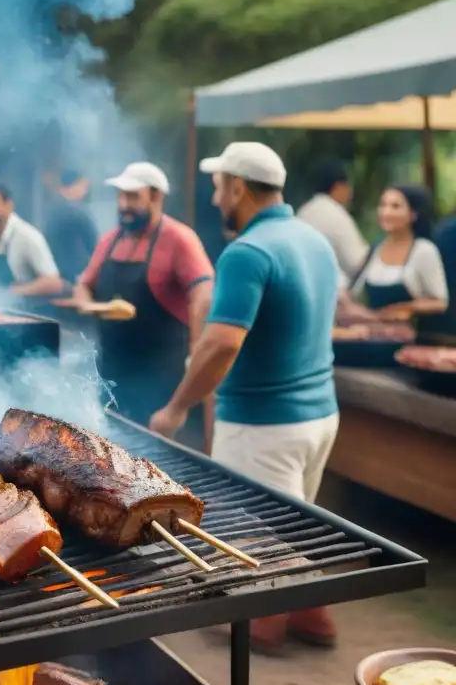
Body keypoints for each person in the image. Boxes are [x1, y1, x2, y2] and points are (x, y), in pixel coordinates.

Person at [149, 142, 340, 652]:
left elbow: (221, 343)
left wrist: (176, 408)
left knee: (254, 536)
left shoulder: (247, 252)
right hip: (320, 414)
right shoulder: (313, 241)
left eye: (218, 187)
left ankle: (263, 626)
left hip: (263, 422)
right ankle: (312, 617)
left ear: (237, 186)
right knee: (296, 521)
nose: (215, 199)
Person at [73, 162, 213, 439]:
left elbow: (204, 294)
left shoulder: (180, 239)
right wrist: (87, 304)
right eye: (121, 196)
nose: (124, 204)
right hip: (112, 377)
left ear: (157, 197)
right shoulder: (110, 240)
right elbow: (83, 285)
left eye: (133, 197)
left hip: (161, 380)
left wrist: (198, 348)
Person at [346, 185, 448, 320]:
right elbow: (354, 293)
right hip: (369, 332)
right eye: (382, 205)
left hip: (409, 336)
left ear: (413, 214)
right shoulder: (376, 248)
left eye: (395, 206)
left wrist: (404, 308)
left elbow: (440, 302)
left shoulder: (424, 250)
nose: (386, 212)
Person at [0, 182, 63, 296]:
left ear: (8, 206)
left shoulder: (28, 236)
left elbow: (53, 283)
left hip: (30, 309)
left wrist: (13, 292)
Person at [297, 160, 369, 281]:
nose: (350, 194)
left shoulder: (302, 212)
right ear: (338, 187)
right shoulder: (336, 215)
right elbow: (357, 263)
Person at [43, 170, 99, 284]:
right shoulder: (77, 211)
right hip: (76, 276)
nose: (86, 190)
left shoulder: (52, 211)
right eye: (83, 186)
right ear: (73, 186)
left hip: (55, 275)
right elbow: (95, 247)